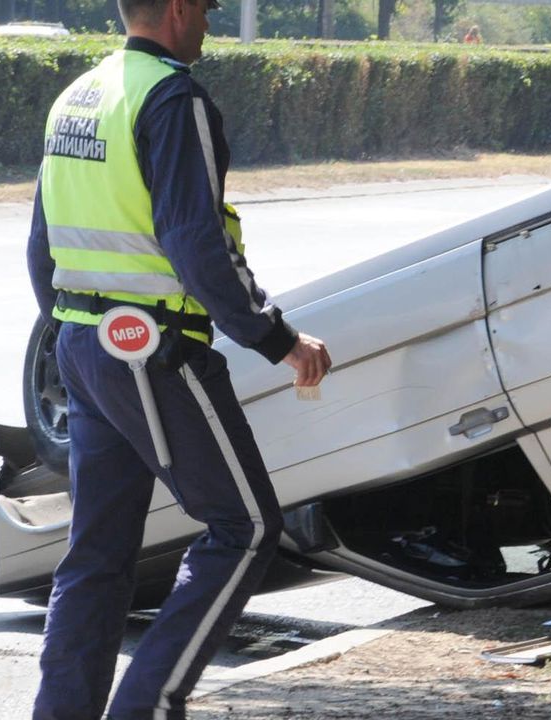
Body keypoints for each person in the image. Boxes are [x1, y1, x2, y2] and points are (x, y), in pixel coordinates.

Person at [24, 0, 331, 717]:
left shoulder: (78, 97)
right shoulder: (172, 97)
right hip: (153, 353)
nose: (210, 24)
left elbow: (42, 246)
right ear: (176, 7)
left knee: (97, 553)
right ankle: (146, 707)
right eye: (207, 9)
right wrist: (278, 341)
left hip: (85, 348)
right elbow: (196, 243)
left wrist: (73, 333)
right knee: (245, 526)